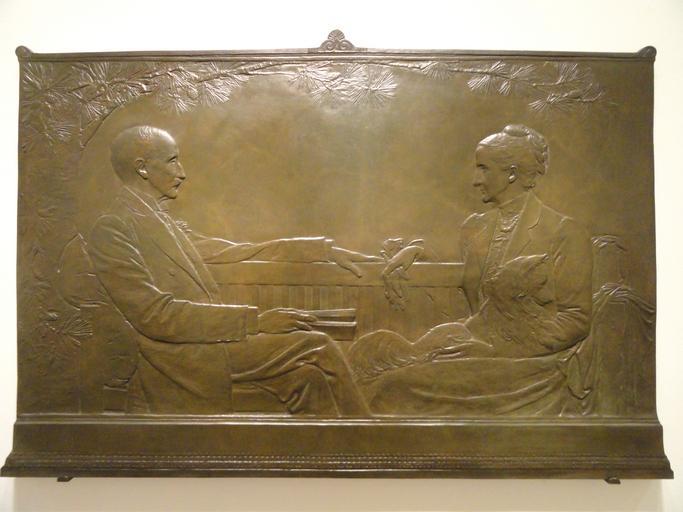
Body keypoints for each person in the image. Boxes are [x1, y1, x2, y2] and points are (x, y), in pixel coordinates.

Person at [88, 125, 372, 416]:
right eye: (172, 161)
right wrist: (257, 322)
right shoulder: (114, 228)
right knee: (319, 346)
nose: (182, 173)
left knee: (308, 379)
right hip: (181, 358)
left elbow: (236, 251)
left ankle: (335, 445)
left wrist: (320, 250)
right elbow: (155, 316)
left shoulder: (160, 221)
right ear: (142, 168)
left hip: (209, 344)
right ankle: (372, 436)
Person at [349, 125, 593, 416]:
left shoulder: (564, 232)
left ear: (511, 173)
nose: (476, 180)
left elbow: (575, 320)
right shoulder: (476, 227)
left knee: (393, 385)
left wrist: (500, 348)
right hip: (470, 344)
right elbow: (462, 268)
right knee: (371, 355)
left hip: (527, 364)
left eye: (483, 169)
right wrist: (416, 250)